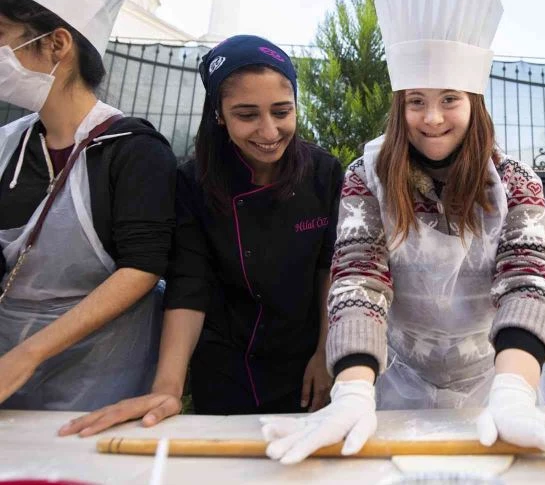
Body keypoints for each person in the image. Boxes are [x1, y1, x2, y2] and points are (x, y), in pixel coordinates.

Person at [260, 0, 545, 464]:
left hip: (500, 378)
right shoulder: (365, 177)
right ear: (400, 106)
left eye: (449, 99)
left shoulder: (515, 182)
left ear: (474, 102)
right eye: (416, 100)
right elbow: (359, 280)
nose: (432, 118)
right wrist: (351, 390)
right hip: (397, 380)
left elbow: (527, 281)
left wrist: (513, 392)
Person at [59, 35, 343, 436]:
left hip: (305, 358)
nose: (269, 130)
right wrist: (168, 387)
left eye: (282, 111)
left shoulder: (324, 173)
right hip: (225, 364)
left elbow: (331, 268)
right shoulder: (194, 182)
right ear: (219, 115)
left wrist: (327, 352)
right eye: (247, 115)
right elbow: (190, 284)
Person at [0, 0, 176, 410]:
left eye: (1, 36)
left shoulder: (133, 149)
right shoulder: (8, 145)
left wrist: (30, 354)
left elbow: (142, 267)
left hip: (96, 385)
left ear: (57, 44)